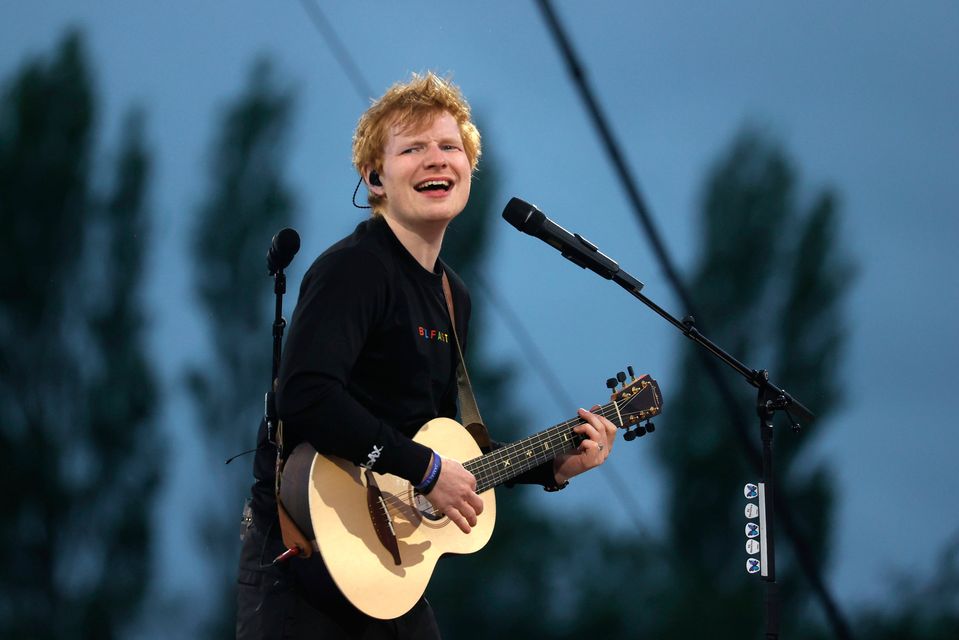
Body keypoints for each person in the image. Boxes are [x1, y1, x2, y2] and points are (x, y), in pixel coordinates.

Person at [236, 72, 618, 640]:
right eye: (413, 148)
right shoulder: (355, 268)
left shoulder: (451, 294)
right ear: (375, 178)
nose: (436, 160)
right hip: (307, 555)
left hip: (385, 566)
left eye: (450, 147)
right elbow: (307, 395)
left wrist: (554, 465)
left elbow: (442, 440)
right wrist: (426, 469)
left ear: (469, 171)